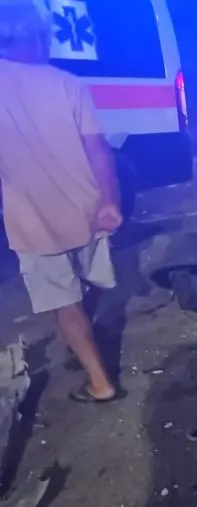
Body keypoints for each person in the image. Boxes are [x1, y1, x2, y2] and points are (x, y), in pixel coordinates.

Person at [0, 1, 123, 402]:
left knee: (64, 303)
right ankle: (86, 329)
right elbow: (99, 151)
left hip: (34, 221)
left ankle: (99, 382)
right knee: (89, 285)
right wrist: (110, 201)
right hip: (87, 211)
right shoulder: (70, 84)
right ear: (37, 36)